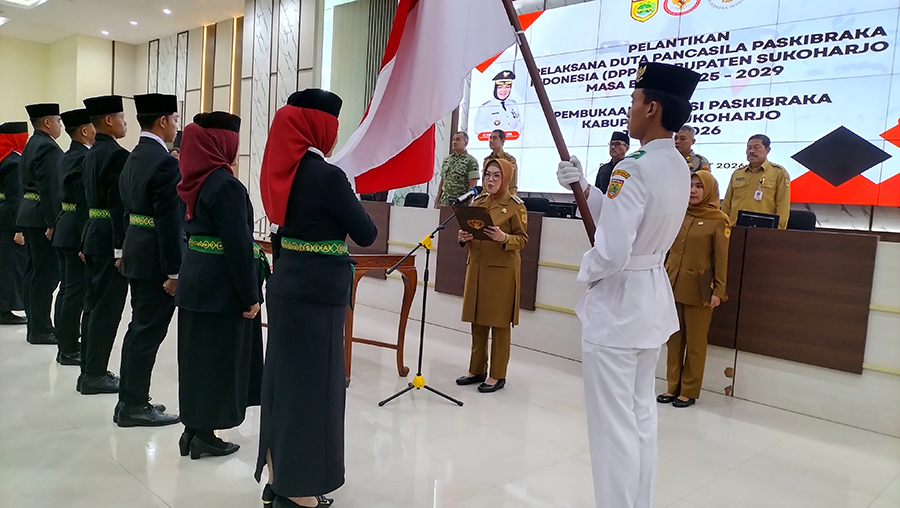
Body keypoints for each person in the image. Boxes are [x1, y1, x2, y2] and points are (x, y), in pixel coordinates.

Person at [556, 62, 701, 508]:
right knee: (640, 418)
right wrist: (586, 189)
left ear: (652, 108)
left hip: (619, 306)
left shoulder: (631, 168)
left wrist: (586, 271)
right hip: (651, 299)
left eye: (634, 101)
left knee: (612, 428)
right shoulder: (676, 164)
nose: (630, 110)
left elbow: (613, 252)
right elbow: (633, 223)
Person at [255, 89, 377, 508]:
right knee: (314, 392)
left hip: (287, 286)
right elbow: (366, 233)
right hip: (318, 296)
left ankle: (277, 478)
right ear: (320, 127)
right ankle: (299, 492)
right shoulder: (327, 176)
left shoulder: (282, 170)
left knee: (283, 385)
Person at [175, 112, 264, 459]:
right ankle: (204, 435)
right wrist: (250, 296)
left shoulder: (192, 180)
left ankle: (193, 430)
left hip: (196, 280)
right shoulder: (225, 185)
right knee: (218, 360)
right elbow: (238, 247)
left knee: (197, 359)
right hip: (221, 286)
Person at [115, 93, 182, 427]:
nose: (176, 126)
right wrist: (175, 271)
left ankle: (129, 400)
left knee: (138, 329)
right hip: (155, 259)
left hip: (136, 251)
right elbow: (168, 221)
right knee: (147, 333)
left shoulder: (134, 155)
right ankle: (134, 405)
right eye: (175, 119)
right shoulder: (165, 162)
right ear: (163, 121)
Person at [657, 171, 730, 408]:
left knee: (695, 343)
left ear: (708, 190)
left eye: (699, 186)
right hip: (672, 283)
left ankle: (688, 390)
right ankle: (672, 386)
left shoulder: (718, 220)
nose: (693, 190)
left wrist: (719, 291)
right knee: (673, 340)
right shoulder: (679, 213)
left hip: (700, 289)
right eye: (690, 185)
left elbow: (721, 259)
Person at [455, 158, 528, 393]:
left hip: (501, 273)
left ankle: (497, 374)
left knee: (499, 324)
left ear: (506, 178)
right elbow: (471, 230)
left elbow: (523, 239)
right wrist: (462, 237)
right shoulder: (478, 202)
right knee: (477, 322)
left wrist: (504, 238)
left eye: (497, 175)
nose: (491, 180)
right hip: (477, 268)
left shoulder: (515, 206)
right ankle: (476, 370)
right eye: (487, 175)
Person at [79, 95, 130, 395]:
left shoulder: (91, 153)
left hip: (93, 233)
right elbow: (118, 205)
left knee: (92, 305)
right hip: (109, 238)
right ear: (109, 120)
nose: (125, 123)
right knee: (107, 309)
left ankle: (89, 369)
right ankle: (95, 374)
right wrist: (121, 249)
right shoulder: (117, 155)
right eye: (122, 117)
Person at [17, 103, 63, 346]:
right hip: (40, 217)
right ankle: (41, 329)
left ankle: (36, 326)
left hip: (29, 213)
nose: (60, 125)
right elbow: (50, 188)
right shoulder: (47, 147)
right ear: (47, 122)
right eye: (58, 121)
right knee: (45, 275)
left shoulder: (32, 143)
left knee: (34, 272)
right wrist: (52, 222)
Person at [52, 108, 95, 366]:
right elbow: (82, 201)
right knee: (74, 292)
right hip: (74, 230)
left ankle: (65, 341)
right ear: (84, 130)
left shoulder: (68, 155)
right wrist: (84, 240)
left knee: (67, 290)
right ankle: (68, 348)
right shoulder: (83, 158)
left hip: (64, 226)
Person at [722, 134, 791, 229]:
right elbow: (726, 205)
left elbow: (782, 207)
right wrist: (722, 227)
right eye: (749, 148)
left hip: (763, 231)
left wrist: (777, 232)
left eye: (756, 147)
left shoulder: (778, 173)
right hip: (734, 229)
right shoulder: (738, 173)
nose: (751, 151)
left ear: (767, 150)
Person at [0, 122, 29, 326]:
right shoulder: (14, 162)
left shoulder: (4, 158)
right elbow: (15, 198)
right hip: (9, 220)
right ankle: (4, 309)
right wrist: (18, 228)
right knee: (9, 265)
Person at [435, 132, 479, 207]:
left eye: (458, 140)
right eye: (454, 139)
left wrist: (469, 205)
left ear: (465, 143)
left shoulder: (471, 161)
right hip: (444, 203)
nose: (454, 142)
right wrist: (437, 201)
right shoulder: (447, 160)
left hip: (460, 204)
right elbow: (442, 182)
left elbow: (473, 186)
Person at [473, 70, 522, 137]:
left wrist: (513, 135)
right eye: (500, 87)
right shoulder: (485, 108)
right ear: (495, 89)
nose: (504, 90)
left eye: (507, 87)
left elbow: (519, 124)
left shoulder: (513, 104)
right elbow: (479, 129)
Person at [483, 129, 518, 195]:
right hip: (488, 197)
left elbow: (512, 185)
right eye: (490, 138)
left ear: (502, 141)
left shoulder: (509, 160)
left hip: (504, 197)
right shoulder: (487, 160)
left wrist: (510, 198)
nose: (491, 141)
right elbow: (484, 184)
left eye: (495, 138)